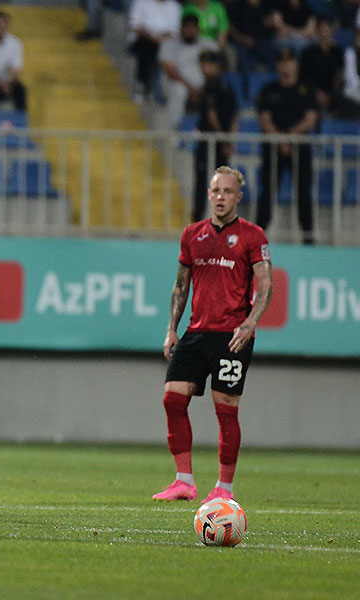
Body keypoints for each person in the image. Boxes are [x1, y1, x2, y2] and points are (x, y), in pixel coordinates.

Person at [153, 165, 273, 505]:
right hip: (196, 332)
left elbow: (266, 286)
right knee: (172, 398)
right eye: (216, 191)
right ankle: (184, 482)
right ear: (208, 195)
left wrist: (250, 323)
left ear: (238, 197)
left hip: (231, 336)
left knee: (226, 411)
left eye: (228, 191)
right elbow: (181, 286)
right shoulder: (192, 234)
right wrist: (171, 329)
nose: (221, 197)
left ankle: (224, 488)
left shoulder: (252, 235)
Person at [255, 47, 318, 244]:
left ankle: (308, 239)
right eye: (282, 62)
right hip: (273, 148)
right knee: (267, 193)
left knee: (303, 193)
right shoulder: (269, 90)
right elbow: (264, 120)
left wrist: (289, 137)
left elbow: (310, 119)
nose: (286, 66)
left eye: (289, 62)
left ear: (296, 65)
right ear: (277, 65)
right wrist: (281, 139)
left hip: (299, 148)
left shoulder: (306, 89)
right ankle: (256, 240)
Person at [192, 50, 237, 222]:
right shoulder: (227, 88)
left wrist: (223, 139)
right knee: (222, 185)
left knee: (203, 183)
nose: (203, 68)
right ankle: (223, 220)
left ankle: (198, 220)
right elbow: (234, 118)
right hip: (220, 142)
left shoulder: (211, 88)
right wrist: (229, 140)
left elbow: (212, 117)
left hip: (211, 141)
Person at [158, 14, 218, 129]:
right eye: (187, 27)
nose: (190, 31)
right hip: (174, 83)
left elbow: (215, 66)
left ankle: (213, 131)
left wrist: (204, 88)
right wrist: (191, 90)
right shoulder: (170, 43)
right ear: (181, 28)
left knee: (218, 90)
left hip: (202, 86)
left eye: (193, 27)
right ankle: (173, 129)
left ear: (198, 29)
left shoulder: (207, 44)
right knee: (179, 91)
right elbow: (170, 71)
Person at [127, 0, 181, 103]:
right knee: (147, 47)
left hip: (165, 41)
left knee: (166, 49)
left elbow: (175, 31)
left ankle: (158, 90)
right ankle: (142, 84)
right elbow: (135, 27)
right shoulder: (141, 2)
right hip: (143, 40)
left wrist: (161, 37)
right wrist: (152, 36)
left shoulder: (174, 6)